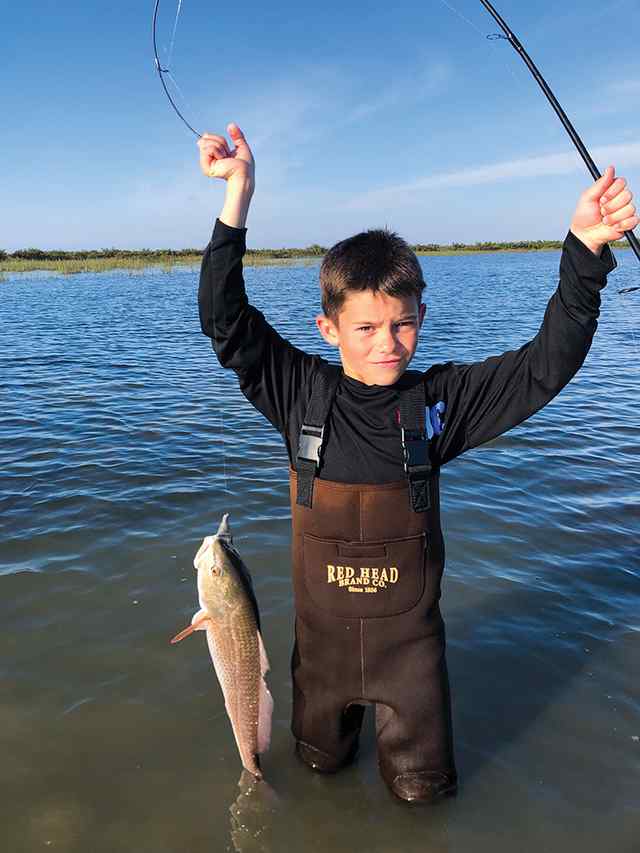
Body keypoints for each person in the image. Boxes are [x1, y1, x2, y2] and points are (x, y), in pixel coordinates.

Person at [196, 123, 638, 804]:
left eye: (402, 324)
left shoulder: (440, 404)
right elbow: (225, 318)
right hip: (321, 662)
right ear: (329, 328)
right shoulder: (297, 394)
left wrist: (583, 250)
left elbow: (547, 364)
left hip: (414, 668)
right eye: (366, 328)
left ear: (422, 317)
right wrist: (239, 194)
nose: (387, 344)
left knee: (425, 800)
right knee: (316, 779)